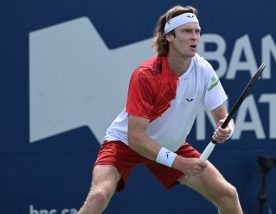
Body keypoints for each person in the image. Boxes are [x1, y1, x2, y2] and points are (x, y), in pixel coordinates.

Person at [78, 5, 243, 214]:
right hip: (126, 142)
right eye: (186, 31)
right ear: (169, 37)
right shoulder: (146, 75)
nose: (194, 37)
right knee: (99, 195)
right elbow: (136, 137)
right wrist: (180, 163)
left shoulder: (203, 69)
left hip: (170, 145)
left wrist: (226, 129)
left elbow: (224, 118)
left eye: (197, 31)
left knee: (228, 195)